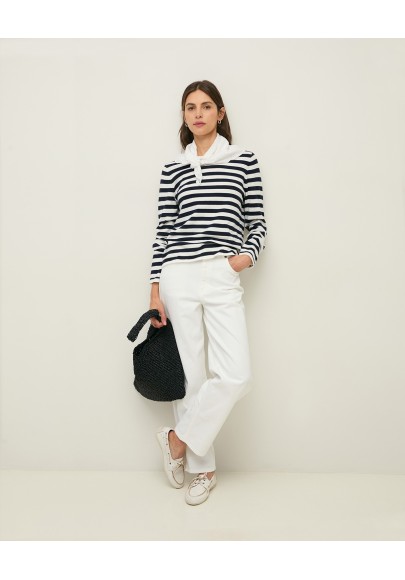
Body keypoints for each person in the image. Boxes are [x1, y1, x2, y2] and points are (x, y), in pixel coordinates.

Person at [149, 80, 267, 506]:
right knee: (191, 376)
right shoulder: (173, 168)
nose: (198, 114)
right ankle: (204, 470)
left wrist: (245, 258)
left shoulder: (243, 160)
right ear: (184, 116)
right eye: (190, 107)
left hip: (221, 273)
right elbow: (163, 231)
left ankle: (177, 440)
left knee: (236, 374)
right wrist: (154, 291)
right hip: (178, 274)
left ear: (220, 112)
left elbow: (258, 222)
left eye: (205, 106)